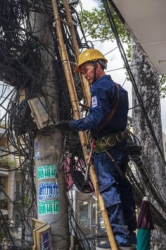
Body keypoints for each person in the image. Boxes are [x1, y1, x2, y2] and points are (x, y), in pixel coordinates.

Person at [58, 49, 137, 249]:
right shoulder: (120, 89)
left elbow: (95, 119)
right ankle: (129, 231)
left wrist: (72, 125)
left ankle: (120, 237)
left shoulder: (99, 88)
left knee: (109, 190)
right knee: (122, 187)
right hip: (119, 148)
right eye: (83, 72)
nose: (85, 75)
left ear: (98, 65)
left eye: (86, 70)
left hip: (105, 151)